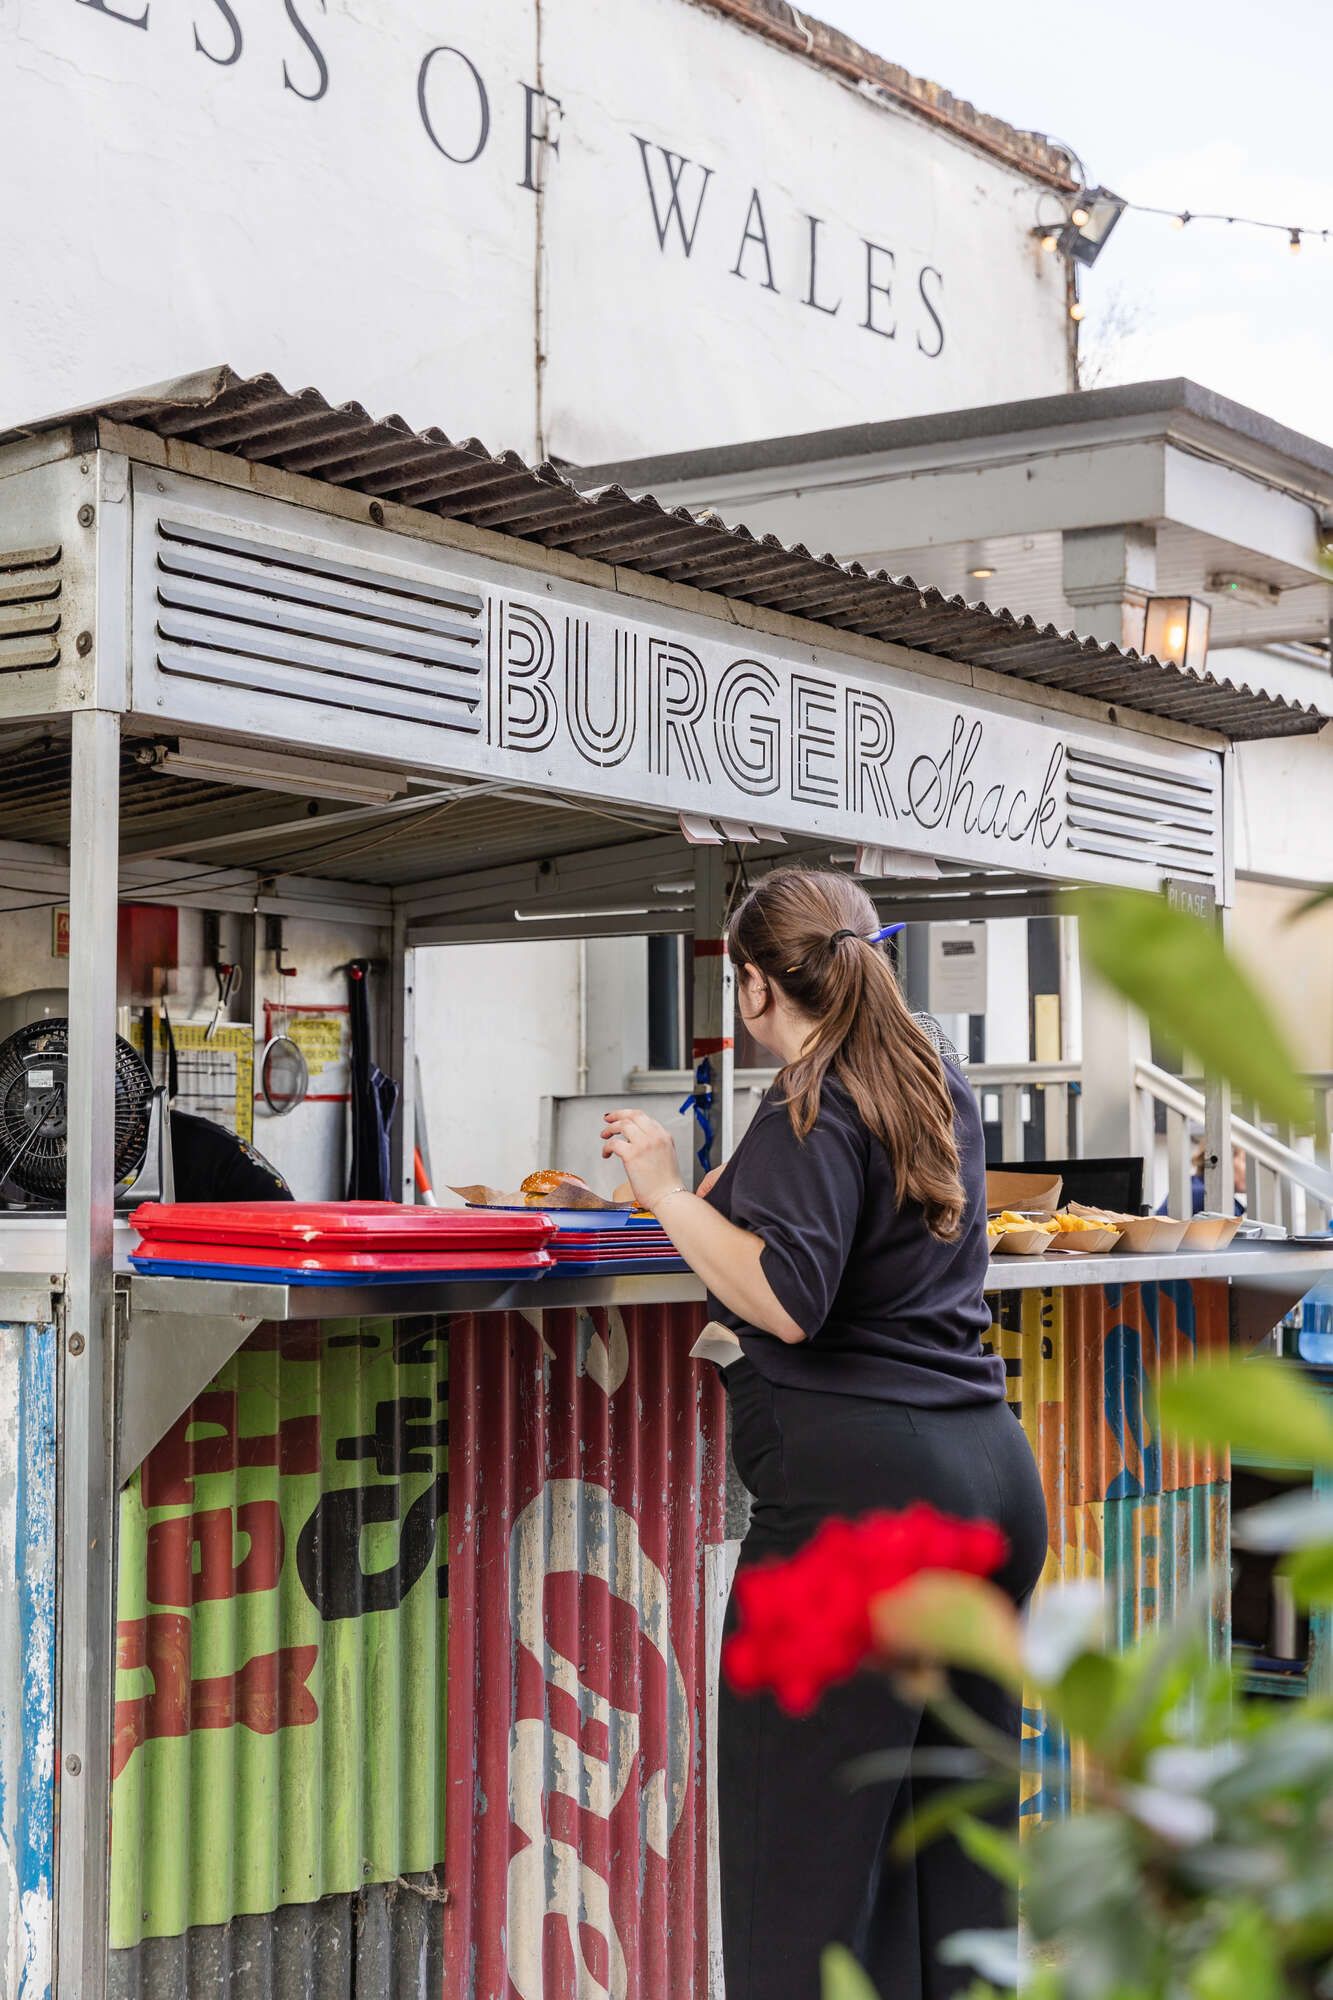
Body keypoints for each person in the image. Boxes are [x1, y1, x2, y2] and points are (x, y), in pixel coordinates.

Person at [602, 867, 1048, 2000]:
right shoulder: (925, 1070)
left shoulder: (808, 1092)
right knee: (946, 1872)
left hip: (869, 1514)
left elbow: (789, 1296)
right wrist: (726, 1192)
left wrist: (662, 1189)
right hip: (988, 1482)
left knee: (797, 1887)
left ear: (754, 983)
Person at [1157, 1137, 1245, 1216]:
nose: (1250, 1171)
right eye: (1244, 1160)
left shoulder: (1192, 1186)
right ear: (1224, 1160)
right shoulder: (1205, 1195)